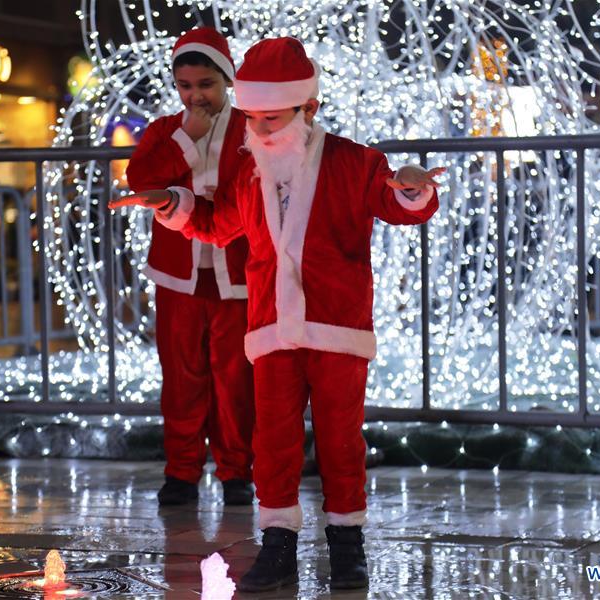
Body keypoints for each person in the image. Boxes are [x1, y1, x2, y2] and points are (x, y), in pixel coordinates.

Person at [110, 37, 443, 592]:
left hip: (336, 326)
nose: (259, 130)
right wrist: (176, 206)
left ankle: (347, 548)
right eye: (252, 118)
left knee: (340, 442)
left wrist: (412, 186)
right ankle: (278, 545)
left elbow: (399, 205)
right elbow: (219, 226)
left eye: (272, 118)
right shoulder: (248, 170)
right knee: (274, 442)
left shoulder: (353, 161)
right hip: (270, 327)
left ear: (308, 109)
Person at [124, 27, 255, 507]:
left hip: (237, 274)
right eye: (185, 86)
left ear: (228, 80)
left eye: (206, 85)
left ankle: (236, 472)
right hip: (179, 274)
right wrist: (186, 139)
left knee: (236, 379)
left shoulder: (249, 126)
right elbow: (140, 179)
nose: (195, 95)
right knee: (181, 376)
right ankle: (181, 471)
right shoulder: (165, 130)